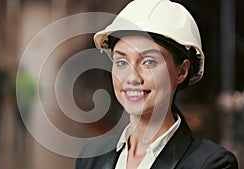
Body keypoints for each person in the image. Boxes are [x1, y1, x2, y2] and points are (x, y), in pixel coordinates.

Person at [75, 0, 238, 168]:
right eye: (122, 62)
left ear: (182, 71)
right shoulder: (91, 157)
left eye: (149, 62)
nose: (132, 78)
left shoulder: (212, 164)